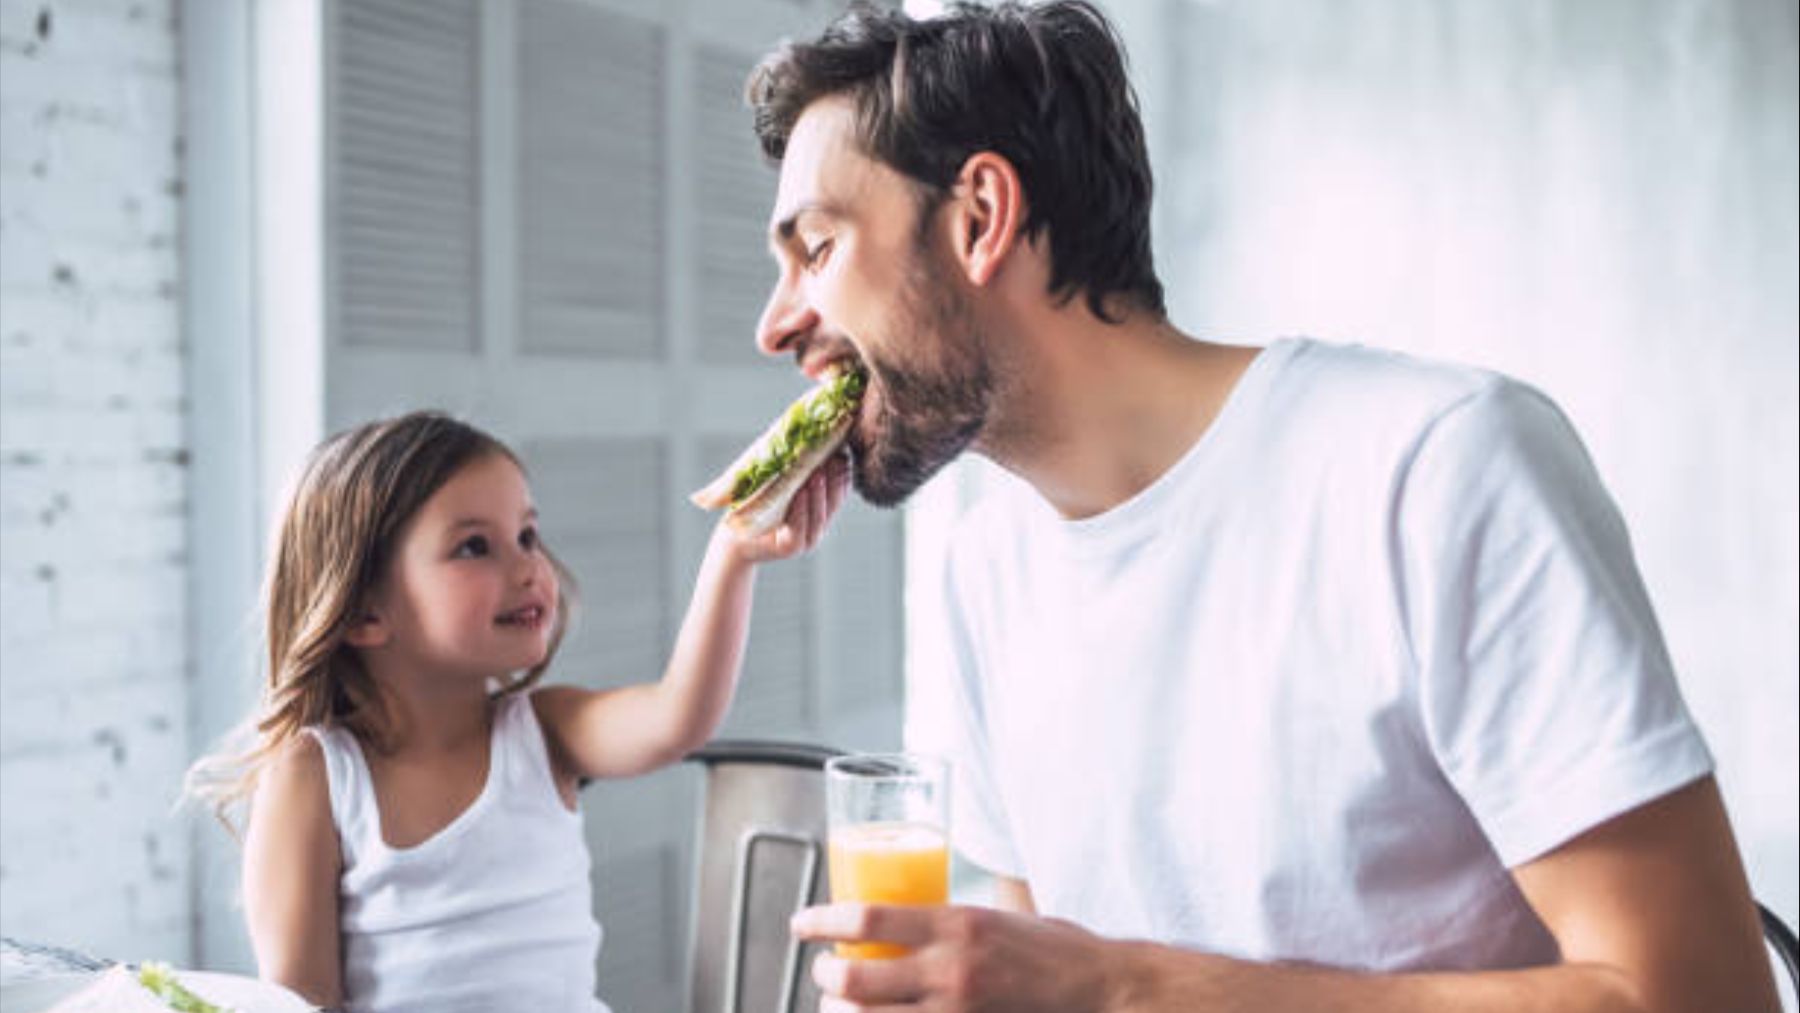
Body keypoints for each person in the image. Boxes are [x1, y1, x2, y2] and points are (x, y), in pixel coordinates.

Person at [743, 2, 1781, 1011]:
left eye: (818, 248)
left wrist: (1122, 987)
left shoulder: (1438, 466)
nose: (774, 324)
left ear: (979, 217)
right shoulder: (986, 570)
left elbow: (1703, 992)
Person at [185, 410, 848, 1011]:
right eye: (475, 545)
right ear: (364, 610)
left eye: (527, 534)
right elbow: (303, 1002)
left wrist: (733, 554)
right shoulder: (316, 774)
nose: (529, 566)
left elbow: (679, 716)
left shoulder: (545, 730)